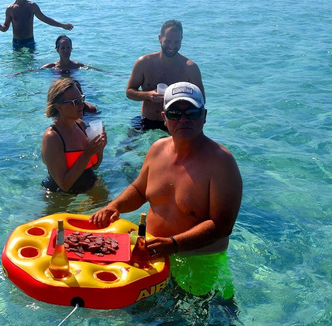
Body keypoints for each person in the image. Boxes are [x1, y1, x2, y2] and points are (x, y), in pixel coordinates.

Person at [91, 82, 242, 298]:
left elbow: (222, 226)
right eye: (174, 113)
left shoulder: (221, 163)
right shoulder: (157, 149)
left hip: (197, 263)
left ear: (204, 115)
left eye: (191, 112)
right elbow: (140, 189)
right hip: (153, 254)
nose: (183, 119)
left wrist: (173, 244)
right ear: (164, 117)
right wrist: (115, 206)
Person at [125, 20, 204, 132]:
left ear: (182, 39)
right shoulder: (143, 63)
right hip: (145, 120)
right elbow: (129, 92)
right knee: (125, 148)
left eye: (176, 42)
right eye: (168, 41)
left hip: (175, 124)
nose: (172, 46)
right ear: (159, 38)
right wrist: (148, 95)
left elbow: (201, 101)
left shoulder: (190, 68)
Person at [41, 77, 107, 194]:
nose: (82, 105)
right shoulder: (52, 137)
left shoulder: (80, 125)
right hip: (62, 196)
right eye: (75, 102)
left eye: (82, 99)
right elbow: (64, 185)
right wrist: (87, 153)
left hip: (88, 186)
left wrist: (99, 148)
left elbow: (95, 166)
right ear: (59, 107)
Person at [0, 0, 73, 49]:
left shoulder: (32, 6)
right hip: (17, 42)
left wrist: (62, 25)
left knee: (31, 64)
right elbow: (6, 27)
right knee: (17, 64)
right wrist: (0, 28)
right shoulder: (10, 9)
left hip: (29, 41)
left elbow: (45, 19)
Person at [40, 34, 99, 113]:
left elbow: (96, 70)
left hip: (74, 90)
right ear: (57, 50)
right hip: (60, 91)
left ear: (71, 49)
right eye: (63, 48)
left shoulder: (77, 65)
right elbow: (35, 71)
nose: (66, 51)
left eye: (68, 47)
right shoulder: (52, 66)